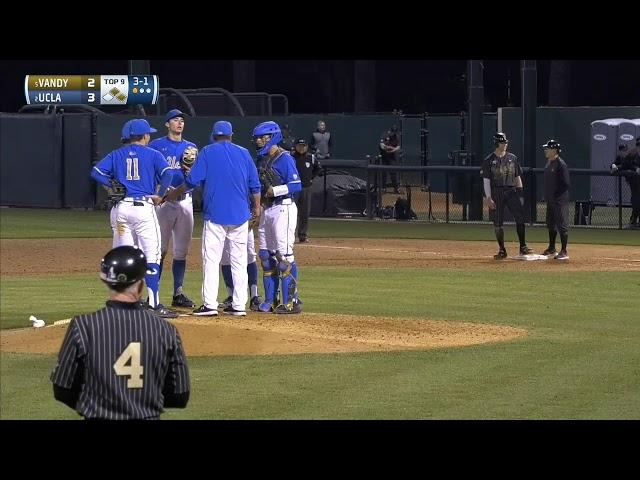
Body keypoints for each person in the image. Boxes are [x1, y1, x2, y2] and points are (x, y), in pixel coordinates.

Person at [50, 245, 190, 419]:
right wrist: (146, 401)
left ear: (107, 281)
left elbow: (62, 388)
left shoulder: (83, 326)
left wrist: (93, 405)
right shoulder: (166, 331)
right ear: (140, 284)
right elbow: (180, 395)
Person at [165, 120, 261, 316]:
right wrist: (257, 208)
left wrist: (175, 192)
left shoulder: (208, 151)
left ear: (214, 135)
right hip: (241, 214)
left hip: (216, 214)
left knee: (211, 259)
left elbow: (192, 181)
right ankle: (239, 305)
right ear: (231, 135)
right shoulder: (244, 153)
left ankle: (209, 304)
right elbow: (255, 185)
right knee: (239, 260)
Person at [90, 119, 178, 318]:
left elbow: (95, 172)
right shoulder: (153, 154)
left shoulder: (116, 154)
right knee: (152, 256)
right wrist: (160, 195)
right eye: (149, 134)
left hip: (120, 211)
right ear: (145, 135)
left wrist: (111, 185)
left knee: (124, 257)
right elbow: (167, 175)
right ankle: (153, 305)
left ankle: (123, 305)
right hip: (143, 210)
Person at [148, 109, 198, 309]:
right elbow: (149, 171)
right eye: (175, 120)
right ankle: (154, 294)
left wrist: (189, 173)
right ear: (167, 124)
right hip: (164, 202)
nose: (179, 123)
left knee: (181, 252)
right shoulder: (156, 146)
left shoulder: (191, 147)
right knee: (159, 250)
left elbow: (196, 179)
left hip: (185, 201)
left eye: (182, 120)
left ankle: (178, 292)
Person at [253, 121, 303, 314]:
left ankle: (291, 301)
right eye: (257, 137)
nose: (258, 141)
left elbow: (296, 184)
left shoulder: (285, 158)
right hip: (268, 209)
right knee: (266, 255)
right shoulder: (261, 159)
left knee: (285, 256)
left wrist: (276, 189)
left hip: (284, 208)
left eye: (262, 137)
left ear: (272, 136)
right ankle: (270, 300)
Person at [481, 132, 534, 259]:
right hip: (496, 192)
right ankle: (502, 249)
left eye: (505, 142)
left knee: (520, 218)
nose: (505, 144)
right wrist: (488, 197)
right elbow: (486, 180)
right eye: (502, 142)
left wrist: (520, 194)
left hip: (511, 191)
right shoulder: (489, 160)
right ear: (496, 143)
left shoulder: (513, 158)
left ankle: (523, 246)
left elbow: (517, 177)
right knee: (498, 222)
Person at [218, 227, 262, 312]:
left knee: (250, 256)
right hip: (223, 223)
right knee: (225, 258)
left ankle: (254, 296)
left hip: (244, 221)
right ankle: (232, 297)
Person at [541, 140, 571, 260]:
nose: (545, 150)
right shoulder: (549, 163)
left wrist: (556, 195)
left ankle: (564, 251)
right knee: (551, 224)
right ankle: (552, 248)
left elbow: (566, 184)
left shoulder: (560, 164)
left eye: (547, 148)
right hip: (551, 200)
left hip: (559, 200)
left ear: (554, 150)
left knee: (561, 225)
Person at [292, 138, 322, 243]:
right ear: (295, 146)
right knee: (291, 213)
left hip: (306, 188)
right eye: (299, 145)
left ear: (307, 147)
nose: (301, 148)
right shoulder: (291, 157)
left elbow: (318, 169)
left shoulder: (311, 158)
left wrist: (311, 177)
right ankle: (290, 235)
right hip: (293, 188)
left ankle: (302, 235)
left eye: (303, 146)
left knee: (305, 213)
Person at [611, 137, 640, 227]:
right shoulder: (632, 154)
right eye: (638, 145)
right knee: (636, 201)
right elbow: (624, 165)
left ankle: (634, 220)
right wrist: (615, 167)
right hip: (635, 182)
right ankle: (633, 220)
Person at [379, 125, 402, 194]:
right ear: (390, 131)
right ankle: (383, 188)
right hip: (384, 156)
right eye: (392, 132)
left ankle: (396, 188)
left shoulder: (396, 136)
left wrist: (392, 149)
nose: (393, 134)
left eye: (394, 133)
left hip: (392, 156)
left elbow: (398, 147)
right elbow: (381, 145)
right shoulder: (385, 134)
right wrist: (387, 148)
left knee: (393, 172)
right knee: (383, 172)